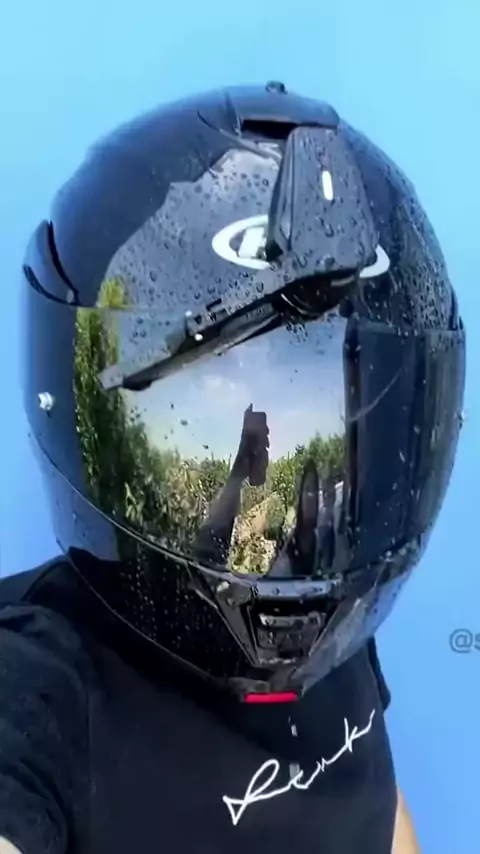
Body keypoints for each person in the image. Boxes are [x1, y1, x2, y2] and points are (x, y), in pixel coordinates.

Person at [0, 81, 466, 854]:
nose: (290, 521)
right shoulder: (40, 686)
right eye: (208, 411)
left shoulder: (332, 618)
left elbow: (380, 812)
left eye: (328, 421)